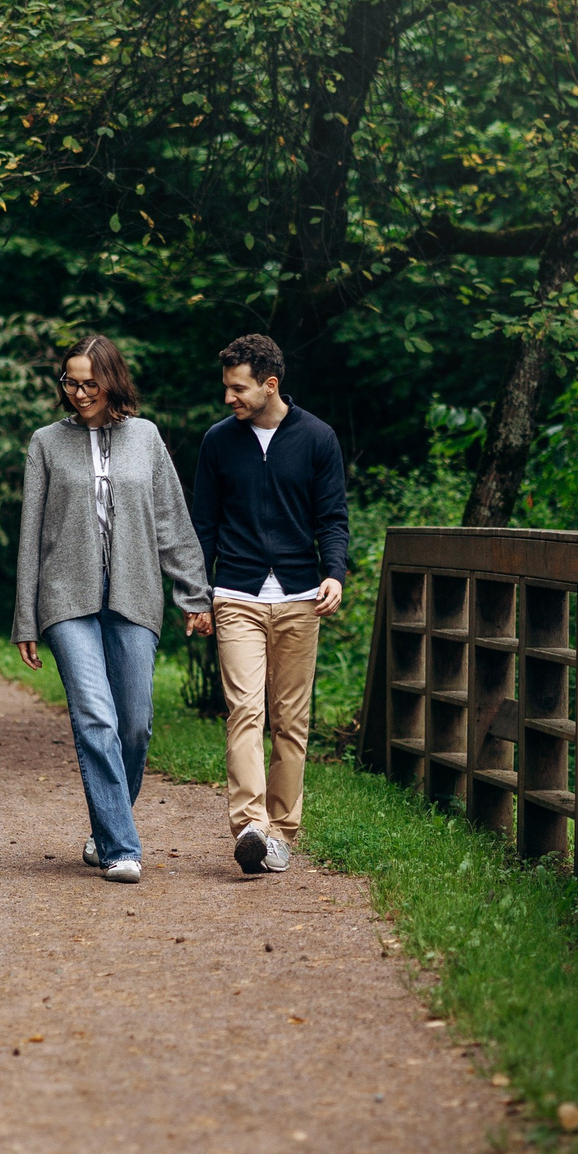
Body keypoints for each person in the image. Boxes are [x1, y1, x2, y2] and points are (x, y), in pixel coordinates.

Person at [12, 336, 213, 883]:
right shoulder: (46, 443)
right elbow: (31, 534)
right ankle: (122, 847)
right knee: (95, 717)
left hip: (135, 595)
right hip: (65, 598)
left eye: (89, 383)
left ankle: (105, 824)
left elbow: (171, 519)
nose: (78, 393)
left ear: (112, 380)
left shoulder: (144, 437)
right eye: (69, 382)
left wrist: (195, 595)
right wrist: (25, 617)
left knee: (136, 727)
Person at [190, 333, 349, 875]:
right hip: (236, 594)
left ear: (269, 384)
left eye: (238, 389)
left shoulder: (317, 438)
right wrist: (198, 595)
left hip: (302, 598)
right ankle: (252, 826)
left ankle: (281, 833)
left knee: (291, 721)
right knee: (245, 710)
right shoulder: (218, 442)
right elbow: (202, 527)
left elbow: (332, 517)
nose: (229, 398)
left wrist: (335, 573)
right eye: (227, 388)